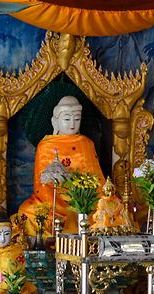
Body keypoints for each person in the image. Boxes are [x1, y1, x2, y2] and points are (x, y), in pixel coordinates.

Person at [17, 96, 105, 235]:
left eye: (76, 119)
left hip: (82, 201)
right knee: (26, 212)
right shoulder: (45, 146)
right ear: (55, 122)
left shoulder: (86, 143)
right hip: (52, 201)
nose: (72, 124)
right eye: (66, 119)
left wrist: (83, 199)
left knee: (106, 211)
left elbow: (97, 179)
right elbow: (41, 186)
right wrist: (55, 204)